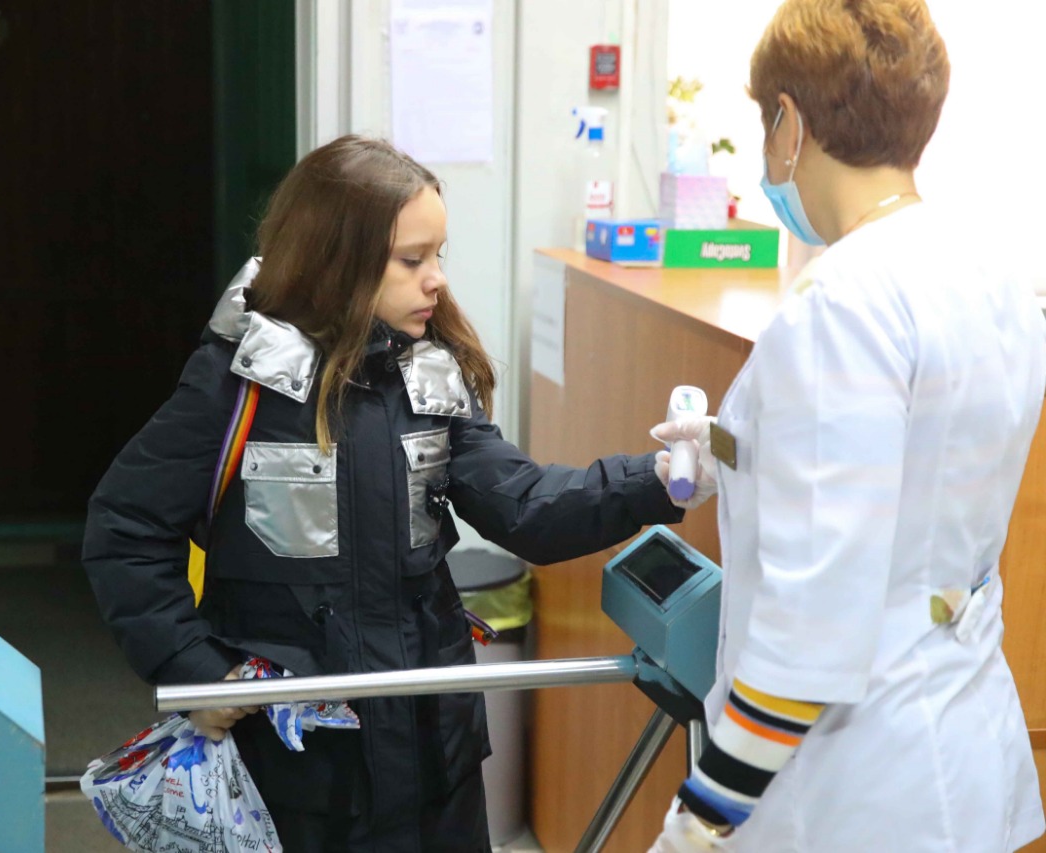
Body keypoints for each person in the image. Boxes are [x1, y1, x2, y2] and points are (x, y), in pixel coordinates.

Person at [83, 134, 684, 852]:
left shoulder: (431, 379)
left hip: (436, 762)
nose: (437, 281)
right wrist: (197, 669)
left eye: (439, 256)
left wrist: (662, 478)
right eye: (412, 260)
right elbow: (125, 530)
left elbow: (525, 506)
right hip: (300, 779)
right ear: (337, 258)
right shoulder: (236, 386)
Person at [647, 2, 1046, 851]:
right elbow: (922, 463)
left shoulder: (841, 302)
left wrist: (698, 823)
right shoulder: (989, 268)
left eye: (766, 125)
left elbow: (808, 633)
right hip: (958, 739)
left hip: (857, 788)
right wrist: (730, 447)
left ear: (789, 123)